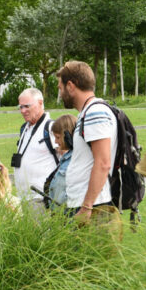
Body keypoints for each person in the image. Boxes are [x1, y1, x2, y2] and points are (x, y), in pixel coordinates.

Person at [55, 60, 119, 228]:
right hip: (87, 205)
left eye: (60, 88)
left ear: (70, 86)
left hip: (92, 208)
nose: (60, 94)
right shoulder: (88, 112)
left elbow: (103, 162)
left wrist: (86, 207)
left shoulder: (94, 112)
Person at [12, 88, 58, 209]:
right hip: (23, 198)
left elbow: (65, 160)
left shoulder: (52, 127)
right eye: (20, 107)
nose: (23, 111)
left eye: (27, 106)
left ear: (40, 103)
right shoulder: (25, 128)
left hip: (41, 199)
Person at [43, 114, 76, 211]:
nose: (56, 141)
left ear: (68, 135)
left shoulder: (77, 160)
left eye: (58, 137)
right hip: (58, 215)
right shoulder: (66, 158)